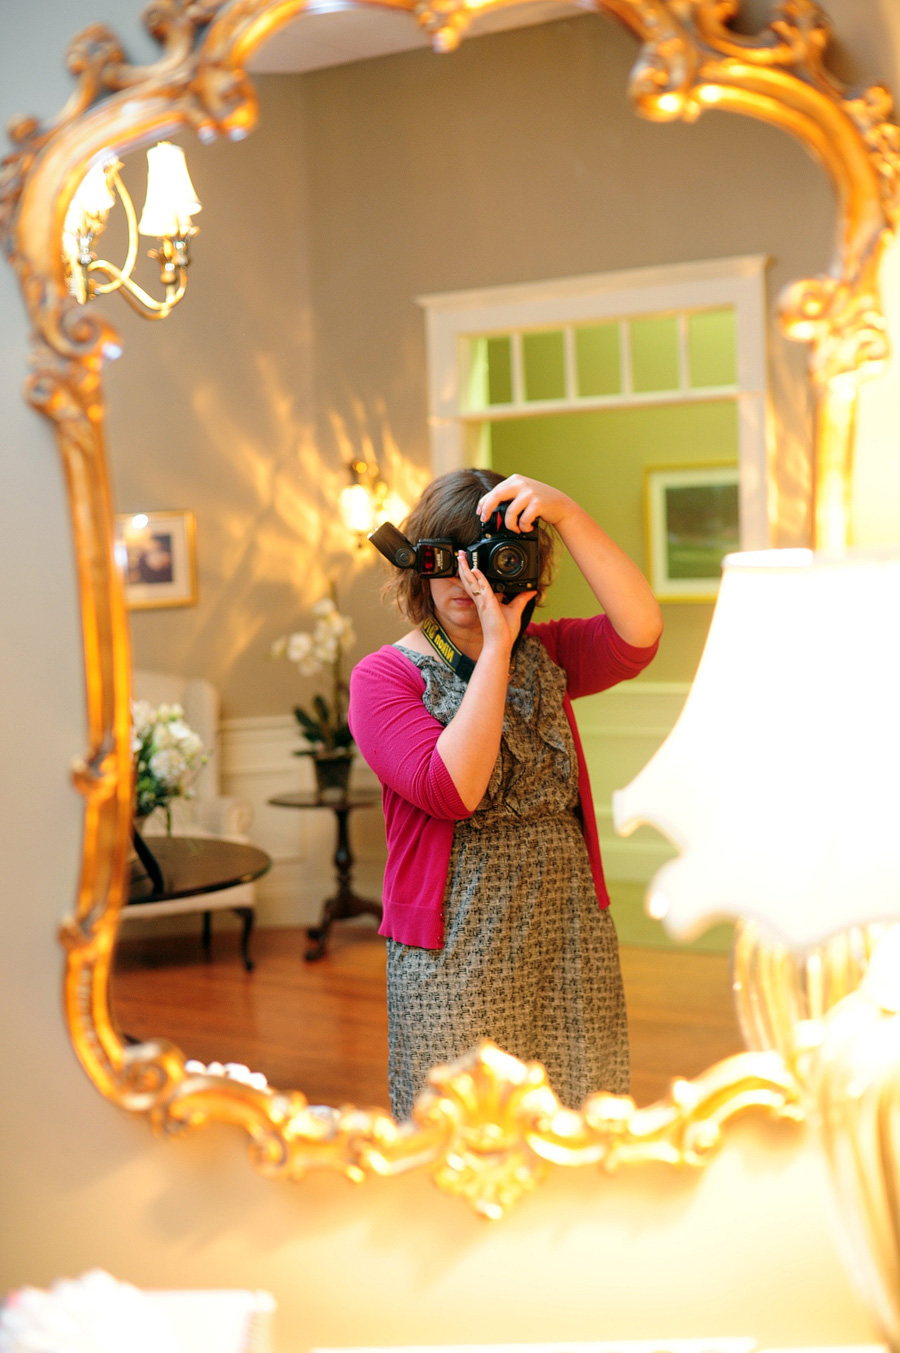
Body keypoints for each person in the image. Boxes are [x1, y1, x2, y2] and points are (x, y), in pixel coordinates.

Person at [348, 470, 663, 1121]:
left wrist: (568, 512)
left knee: (579, 1121)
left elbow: (639, 633)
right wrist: (493, 649)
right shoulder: (382, 677)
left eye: (488, 559)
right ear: (415, 565)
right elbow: (451, 789)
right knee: (466, 1131)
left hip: (568, 927)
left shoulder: (545, 652)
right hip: (457, 940)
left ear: (522, 571)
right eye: (446, 558)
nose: (468, 583)